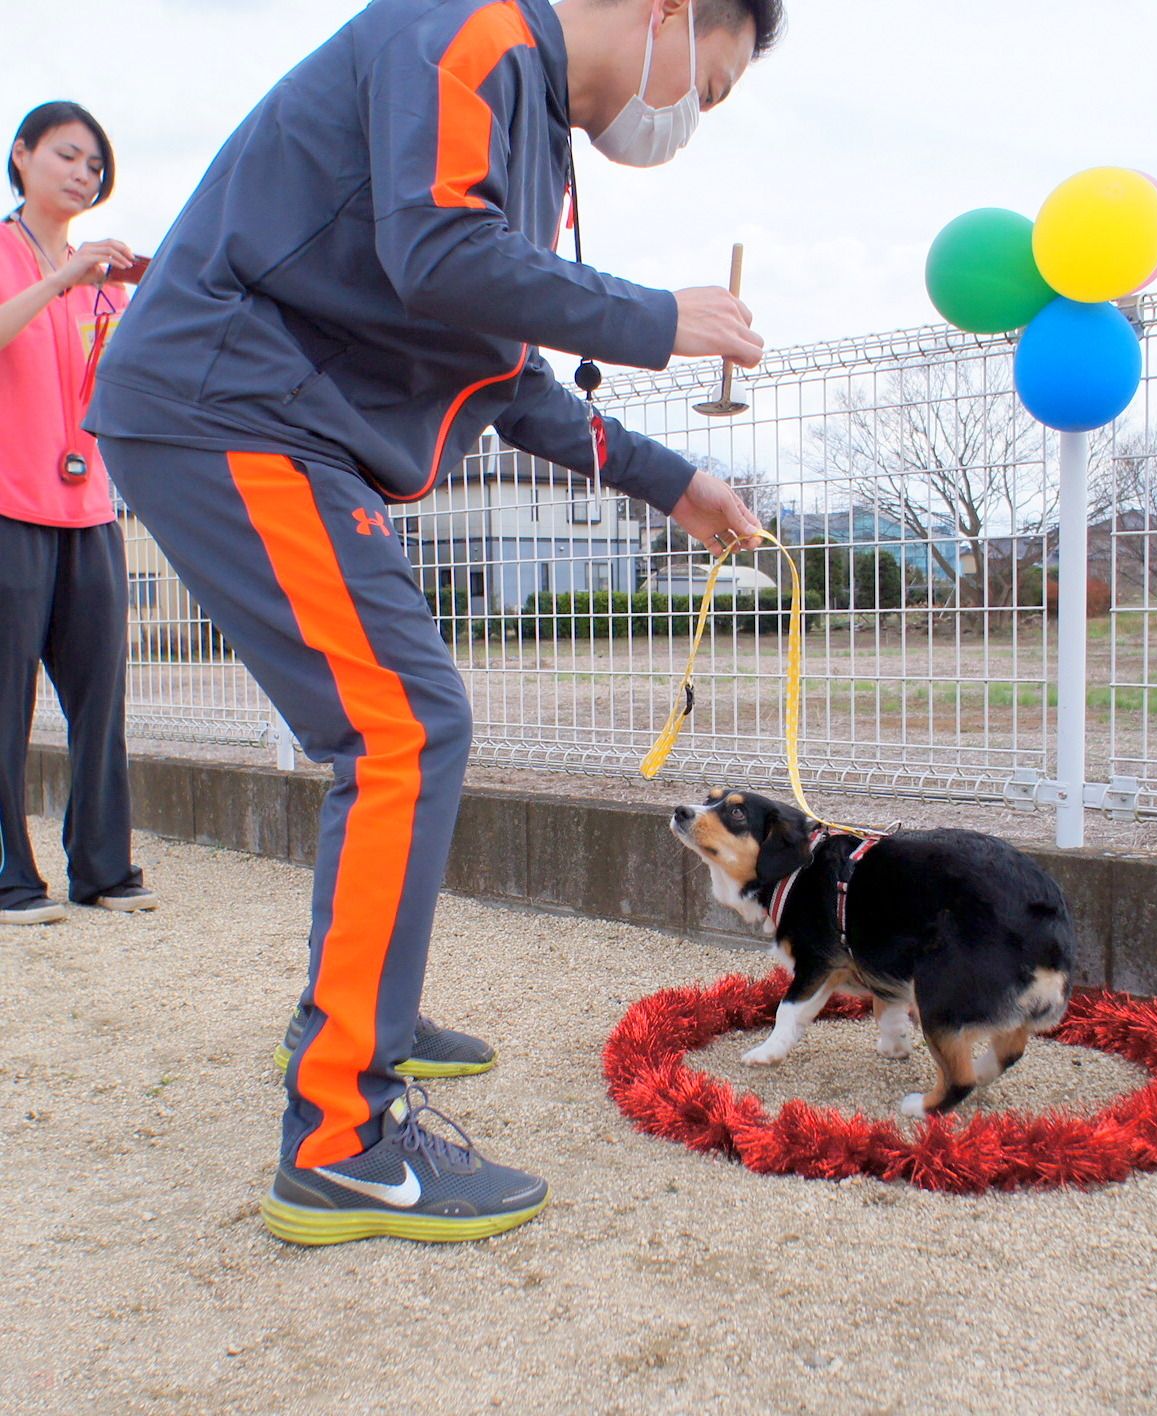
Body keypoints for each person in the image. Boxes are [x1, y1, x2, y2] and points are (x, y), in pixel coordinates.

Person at [88, 0, 784, 1246]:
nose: (690, 116)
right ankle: (340, 1138)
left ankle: (370, 1014)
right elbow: (440, 255)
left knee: (404, 725)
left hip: (273, 416)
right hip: (229, 404)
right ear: (670, 13)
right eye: (713, 84)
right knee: (404, 728)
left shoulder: (528, 128)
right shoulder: (472, 32)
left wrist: (673, 482)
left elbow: (505, 374)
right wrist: (651, 318)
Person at [0, 102, 156, 927]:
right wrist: (62, 280)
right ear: (22, 155)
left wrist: (150, 300)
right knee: (4, 702)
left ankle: (102, 869)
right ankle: (10, 880)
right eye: (67, 155)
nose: (83, 174)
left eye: (95, 165)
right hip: (6, 506)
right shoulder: (14, 256)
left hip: (89, 511)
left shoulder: (100, 284)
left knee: (100, 701)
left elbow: (120, 386)